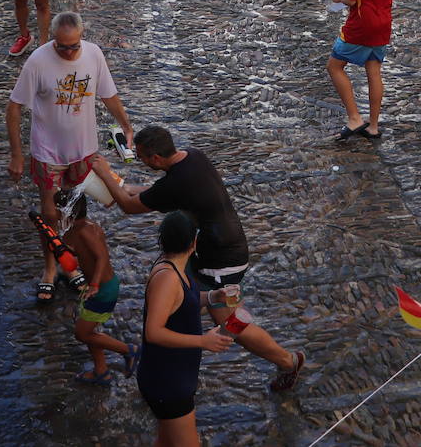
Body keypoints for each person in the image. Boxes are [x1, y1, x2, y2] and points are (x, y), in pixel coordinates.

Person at [88, 129, 305, 394]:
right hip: (216, 248)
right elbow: (162, 191)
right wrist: (125, 188)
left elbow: (130, 206)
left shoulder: (176, 182)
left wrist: (104, 173)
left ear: (156, 158)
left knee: (229, 323)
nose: (143, 161)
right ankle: (169, 345)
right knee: (176, 295)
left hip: (221, 260)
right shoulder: (192, 157)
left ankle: (288, 361)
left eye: (143, 158)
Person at [6, 11, 134, 300]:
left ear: (81, 38)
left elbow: (108, 94)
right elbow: (13, 108)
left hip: (83, 152)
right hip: (47, 152)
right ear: (52, 40)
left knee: (75, 213)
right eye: (61, 46)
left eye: (73, 45)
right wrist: (16, 155)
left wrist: (126, 124)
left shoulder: (94, 54)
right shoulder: (38, 61)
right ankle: (50, 268)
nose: (68, 52)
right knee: (49, 213)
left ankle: (71, 265)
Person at [133, 210, 232, 444]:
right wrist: (202, 341)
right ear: (194, 242)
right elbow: (153, 331)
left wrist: (213, 297)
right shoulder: (167, 278)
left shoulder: (177, 269)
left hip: (176, 376)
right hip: (168, 382)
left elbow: (182, 303)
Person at [327, 0, 406, 140]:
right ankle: (373, 126)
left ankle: (354, 118)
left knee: (334, 66)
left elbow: (351, 0)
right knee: (374, 71)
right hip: (383, 24)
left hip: (361, 25)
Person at [55, 189, 139, 385]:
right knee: (91, 332)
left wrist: (93, 284)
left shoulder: (86, 231)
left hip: (102, 289)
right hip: (96, 288)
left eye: (58, 209)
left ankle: (129, 350)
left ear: (67, 211)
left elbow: (102, 257)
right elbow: (71, 254)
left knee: (82, 333)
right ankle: (101, 371)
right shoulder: (74, 231)